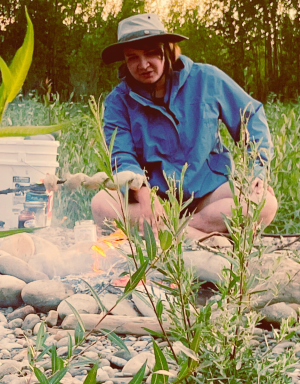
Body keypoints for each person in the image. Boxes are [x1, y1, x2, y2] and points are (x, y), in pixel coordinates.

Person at [92, 14, 278, 247]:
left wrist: (257, 169)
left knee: (265, 204)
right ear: (124, 61)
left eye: (151, 53)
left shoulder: (206, 78)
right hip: (155, 199)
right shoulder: (118, 101)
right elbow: (121, 156)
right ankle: (201, 237)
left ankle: (179, 233)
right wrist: (144, 194)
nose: (143, 65)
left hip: (208, 192)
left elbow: (251, 116)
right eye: (133, 58)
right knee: (100, 205)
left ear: (168, 50)